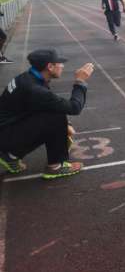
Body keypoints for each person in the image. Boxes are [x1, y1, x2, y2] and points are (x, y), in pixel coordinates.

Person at [0, 48, 94, 179]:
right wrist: (80, 82)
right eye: (59, 63)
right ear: (50, 67)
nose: (62, 66)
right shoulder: (35, 89)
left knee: (56, 115)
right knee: (56, 115)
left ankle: (11, 156)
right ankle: (55, 167)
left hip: (7, 130)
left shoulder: (28, 77)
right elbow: (74, 107)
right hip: (6, 136)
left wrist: (66, 124)